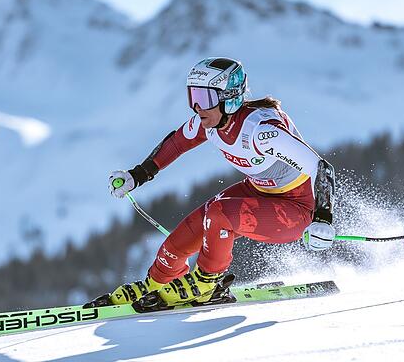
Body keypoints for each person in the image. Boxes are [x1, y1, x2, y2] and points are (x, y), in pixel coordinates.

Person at [106, 57, 337, 307]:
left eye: (204, 99)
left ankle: (206, 283)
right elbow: (176, 143)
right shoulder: (210, 123)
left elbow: (322, 168)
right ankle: (156, 283)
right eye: (192, 97)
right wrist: (137, 175)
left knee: (219, 213)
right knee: (183, 236)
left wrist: (323, 218)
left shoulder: (261, 131)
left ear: (230, 97)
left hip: (296, 210)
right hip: (260, 192)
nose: (197, 108)